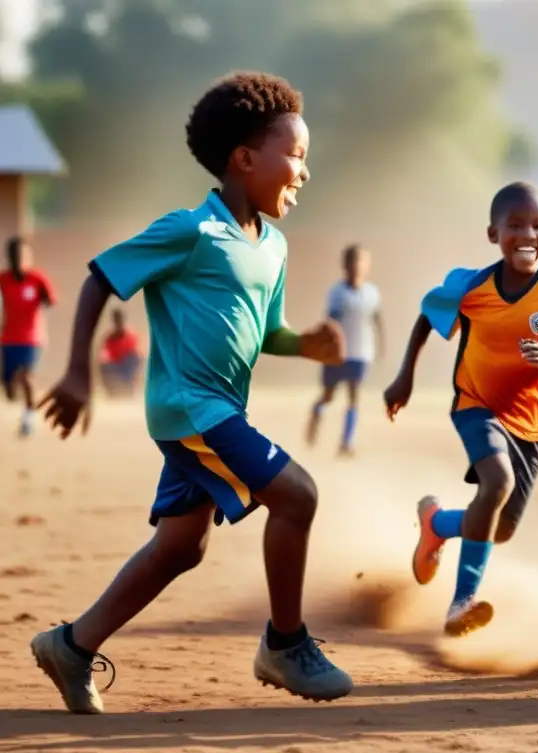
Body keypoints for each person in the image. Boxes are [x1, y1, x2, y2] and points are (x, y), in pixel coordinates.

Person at [30, 72, 354, 715]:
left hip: (219, 409)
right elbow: (101, 277)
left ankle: (71, 645)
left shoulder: (275, 246)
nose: (304, 173)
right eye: (296, 156)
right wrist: (76, 372)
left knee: (182, 546)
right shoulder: (190, 230)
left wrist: (305, 344)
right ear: (244, 158)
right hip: (188, 406)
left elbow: (266, 333)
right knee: (298, 496)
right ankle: (285, 645)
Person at [383, 181, 538, 637]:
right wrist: (405, 376)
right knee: (497, 482)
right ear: (492, 233)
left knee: (500, 528)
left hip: (535, 423)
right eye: (514, 225)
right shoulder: (472, 286)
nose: (526, 235)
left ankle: (436, 523)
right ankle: (461, 604)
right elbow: (428, 317)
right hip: (476, 405)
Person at [307, 243, 384, 455]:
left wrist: (381, 343)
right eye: (353, 261)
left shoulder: (372, 293)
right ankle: (316, 414)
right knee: (329, 395)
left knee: (354, 395)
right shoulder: (338, 293)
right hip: (338, 354)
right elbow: (330, 321)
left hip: (361, 353)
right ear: (345, 265)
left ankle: (346, 443)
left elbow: (377, 319)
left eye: (361, 261)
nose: (357, 265)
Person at [0, 236, 56, 436]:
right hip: (7, 339)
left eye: (24, 255)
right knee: (8, 386)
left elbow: (51, 299)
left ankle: (28, 420)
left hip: (32, 340)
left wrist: (46, 299)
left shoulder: (38, 279)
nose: (20, 259)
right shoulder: (3, 279)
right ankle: (10, 387)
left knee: (27, 378)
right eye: (16, 255)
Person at [98, 308, 143, 397]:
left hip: (127, 368)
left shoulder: (130, 336)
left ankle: (129, 387)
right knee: (103, 365)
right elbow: (104, 357)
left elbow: (138, 357)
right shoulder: (109, 338)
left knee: (133, 358)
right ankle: (113, 390)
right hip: (116, 367)